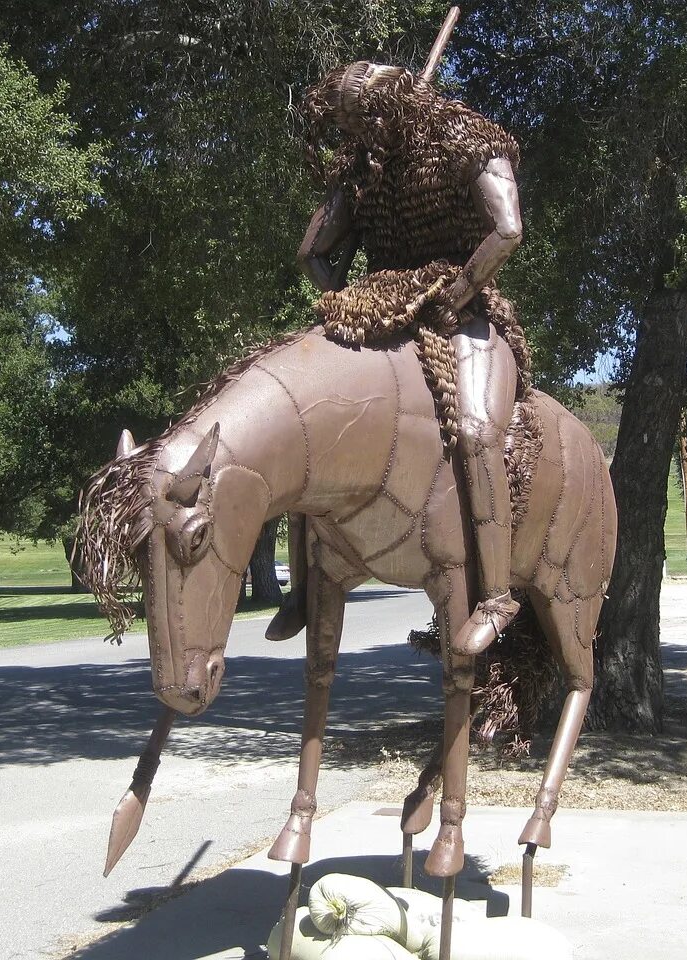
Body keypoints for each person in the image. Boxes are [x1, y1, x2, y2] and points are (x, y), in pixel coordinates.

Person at [266, 60, 529, 656]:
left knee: (476, 428)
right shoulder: (362, 167)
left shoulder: (469, 141)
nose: (356, 138)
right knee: (311, 417)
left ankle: (496, 595)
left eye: (362, 124)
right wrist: (334, 286)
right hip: (379, 301)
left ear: (388, 111)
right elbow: (312, 252)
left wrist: (457, 294)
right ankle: (305, 586)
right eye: (348, 128)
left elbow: (507, 230)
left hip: (458, 304)